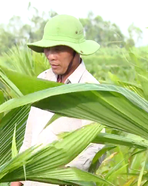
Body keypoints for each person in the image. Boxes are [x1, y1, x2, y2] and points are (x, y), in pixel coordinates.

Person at [11, 14, 104, 186]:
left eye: (58, 49)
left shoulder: (90, 89)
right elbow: (31, 135)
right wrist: (17, 176)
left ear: (77, 51)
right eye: (48, 49)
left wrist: (63, 177)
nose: (51, 56)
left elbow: (96, 146)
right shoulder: (43, 80)